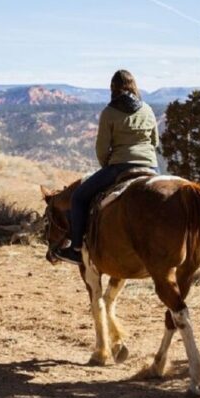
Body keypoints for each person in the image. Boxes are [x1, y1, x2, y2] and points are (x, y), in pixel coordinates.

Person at [54, 70, 159, 265]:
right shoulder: (148, 109)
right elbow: (155, 141)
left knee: (79, 198)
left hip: (120, 166)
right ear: (134, 85)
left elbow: (102, 148)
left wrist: (107, 166)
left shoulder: (109, 112)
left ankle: (76, 248)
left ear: (113, 88)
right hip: (151, 166)